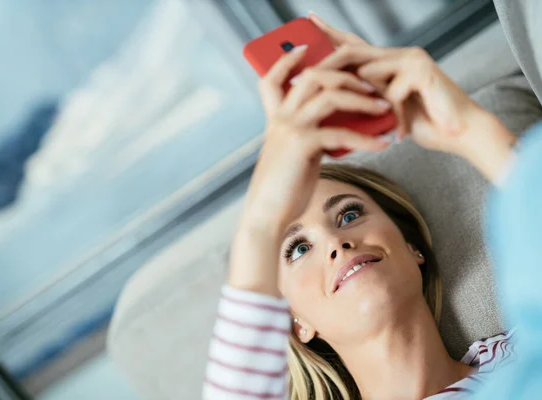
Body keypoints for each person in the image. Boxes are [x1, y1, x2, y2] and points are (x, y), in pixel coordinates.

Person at [202, 13, 524, 400]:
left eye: (349, 215)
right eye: (299, 248)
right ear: (293, 323)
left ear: (412, 248)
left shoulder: (522, 357)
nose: (337, 242)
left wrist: (472, 131)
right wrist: (261, 222)